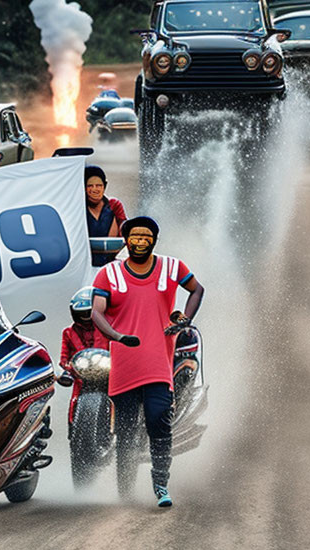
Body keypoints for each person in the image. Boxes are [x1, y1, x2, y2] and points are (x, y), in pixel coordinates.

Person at [90, 216, 204, 507]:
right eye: (135, 237)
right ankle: (125, 491)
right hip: (125, 364)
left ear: (154, 240)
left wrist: (185, 321)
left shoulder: (171, 267)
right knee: (126, 430)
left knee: (158, 422)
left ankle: (161, 485)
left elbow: (196, 289)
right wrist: (116, 335)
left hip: (158, 364)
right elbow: (96, 312)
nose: (140, 242)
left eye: (146, 237)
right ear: (126, 241)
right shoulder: (109, 273)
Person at [59, 287, 107, 423]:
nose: (86, 317)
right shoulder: (68, 333)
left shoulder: (108, 329)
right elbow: (64, 357)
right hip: (81, 376)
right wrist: (67, 367)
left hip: (107, 374)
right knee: (75, 401)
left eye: (89, 313)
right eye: (82, 313)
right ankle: (73, 426)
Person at [85, 165, 127, 266]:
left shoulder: (114, 205)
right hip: (85, 261)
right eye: (90, 186)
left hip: (110, 261)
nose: (95, 190)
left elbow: (124, 228)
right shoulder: (78, 207)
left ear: (104, 186)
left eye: (99, 185)